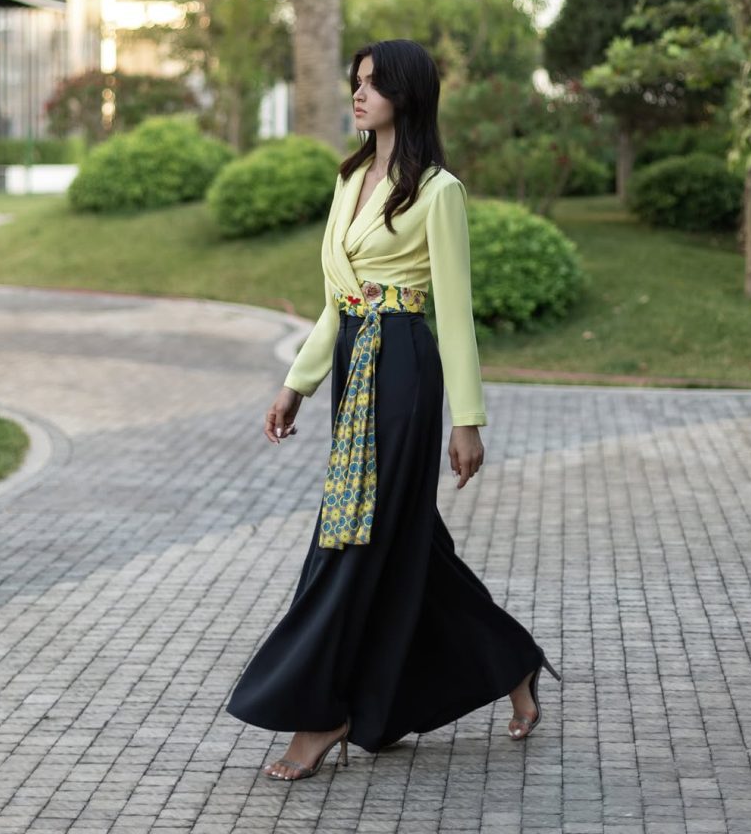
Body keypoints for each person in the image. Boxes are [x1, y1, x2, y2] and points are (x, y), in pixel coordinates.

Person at [225, 39, 559, 781]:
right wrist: (296, 384)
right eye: (356, 81)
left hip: (405, 368)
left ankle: (322, 713)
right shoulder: (348, 180)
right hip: (352, 364)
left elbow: (456, 312)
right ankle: (512, 662)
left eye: (373, 83)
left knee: (351, 540)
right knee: (405, 542)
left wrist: (466, 420)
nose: (358, 93)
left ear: (406, 95)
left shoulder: (437, 192)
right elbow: (338, 302)